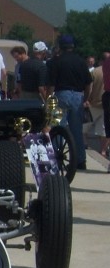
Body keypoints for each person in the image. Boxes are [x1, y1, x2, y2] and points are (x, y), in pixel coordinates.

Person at [48, 34, 92, 171]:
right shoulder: (81, 62)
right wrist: (86, 98)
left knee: (57, 128)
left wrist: (49, 99)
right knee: (76, 130)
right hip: (78, 95)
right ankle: (80, 160)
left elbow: (51, 84)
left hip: (61, 93)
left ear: (60, 46)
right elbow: (88, 83)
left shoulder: (57, 61)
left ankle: (56, 157)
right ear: (72, 46)